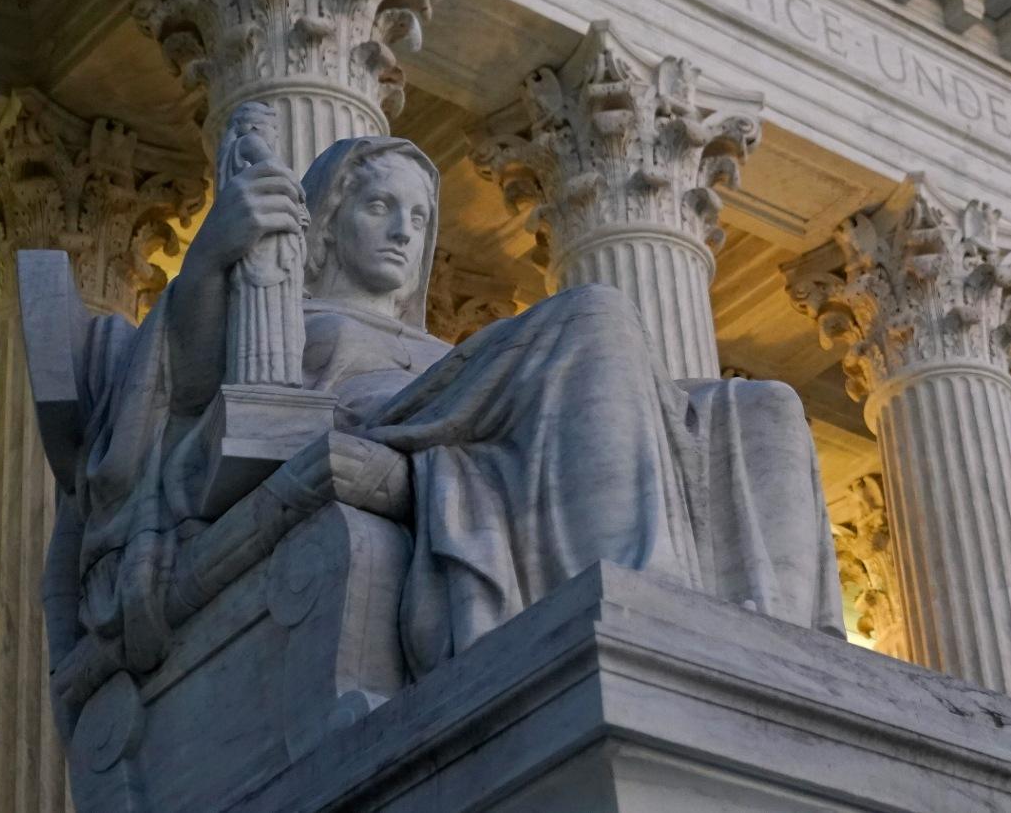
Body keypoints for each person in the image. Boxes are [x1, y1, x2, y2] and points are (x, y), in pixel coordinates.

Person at [59, 114, 841, 682]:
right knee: (596, 313)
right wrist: (212, 258)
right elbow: (188, 396)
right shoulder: (276, 311)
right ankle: (651, 610)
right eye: (378, 208)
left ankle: (780, 658)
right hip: (380, 423)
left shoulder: (450, 352)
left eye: (419, 216)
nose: (404, 230)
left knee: (762, 407)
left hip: (466, 419)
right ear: (325, 225)